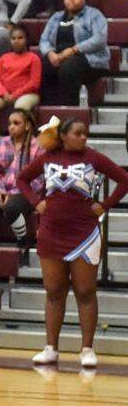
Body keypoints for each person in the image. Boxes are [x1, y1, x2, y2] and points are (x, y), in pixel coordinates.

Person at [19, 117, 128, 369]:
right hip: (51, 233)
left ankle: (87, 349)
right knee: (54, 291)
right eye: (78, 133)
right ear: (63, 136)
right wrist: (36, 202)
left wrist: (104, 205)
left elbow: (124, 179)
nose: (83, 137)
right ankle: (51, 348)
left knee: (85, 291)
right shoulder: (47, 158)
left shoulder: (93, 157)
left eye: (85, 133)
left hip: (84, 234)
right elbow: (22, 179)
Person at [39, 0, 109, 106]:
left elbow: (99, 40)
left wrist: (73, 50)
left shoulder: (94, 15)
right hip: (59, 56)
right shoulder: (56, 17)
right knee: (44, 66)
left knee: (69, 68)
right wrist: (50, 53)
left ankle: (71, 109)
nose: (72, 0)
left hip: (89, 59)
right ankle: (49, 109)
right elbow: (44, 40)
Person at [0, 109, 41, 248]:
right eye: (9, 123)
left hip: (27, 193)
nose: (11, 127)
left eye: (16, 123)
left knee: (11, 206)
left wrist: (13, 194)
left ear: (27, 125)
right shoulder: (1, 143)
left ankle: (23, 241)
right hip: (2, 190)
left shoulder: (38, 145)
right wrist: (0, 191)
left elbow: (39, 177)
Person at [0, 27, 41, 137]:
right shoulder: (3, 58)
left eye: (20, 38)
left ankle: (23, 137)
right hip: (6, 94)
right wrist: (4, 94)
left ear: (26, 40)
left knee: (21, 106)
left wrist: (16, 94)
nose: (16, 41)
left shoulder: (34, 58)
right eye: (13, 38)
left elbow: (34, 82)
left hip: (28, 94)